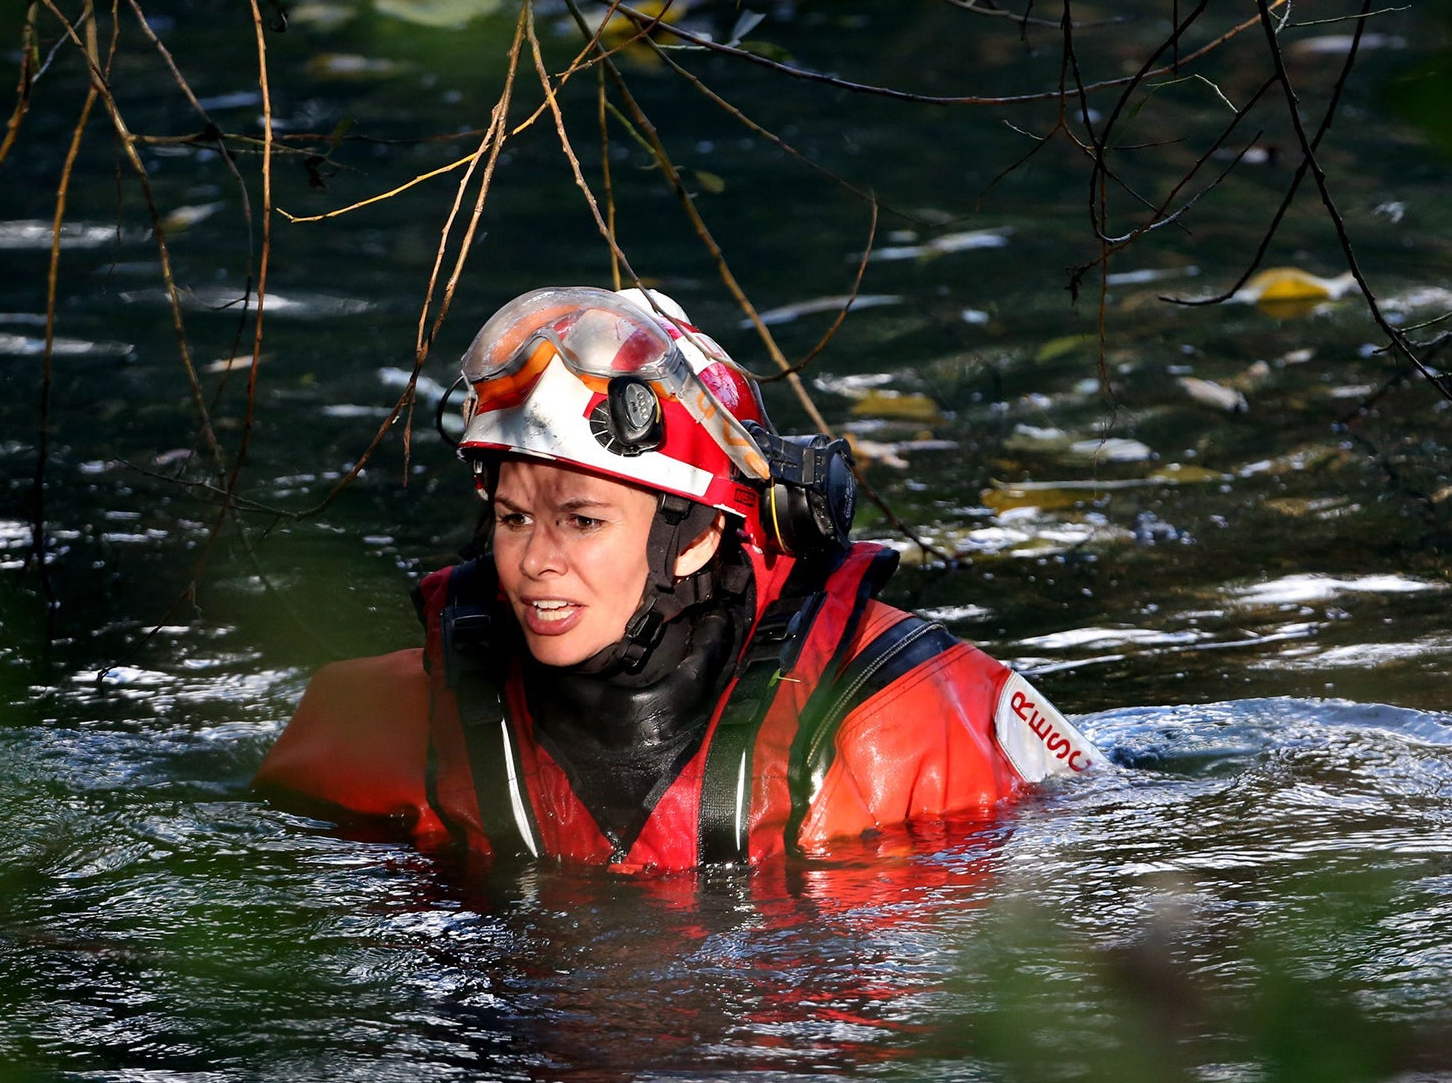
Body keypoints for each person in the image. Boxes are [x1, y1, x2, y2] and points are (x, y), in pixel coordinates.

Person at [253, 285, 1101, 871]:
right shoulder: (397, 723)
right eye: (514, 519)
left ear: (694, 539)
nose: (535, 561)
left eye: (582, 521)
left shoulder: (906, 721)